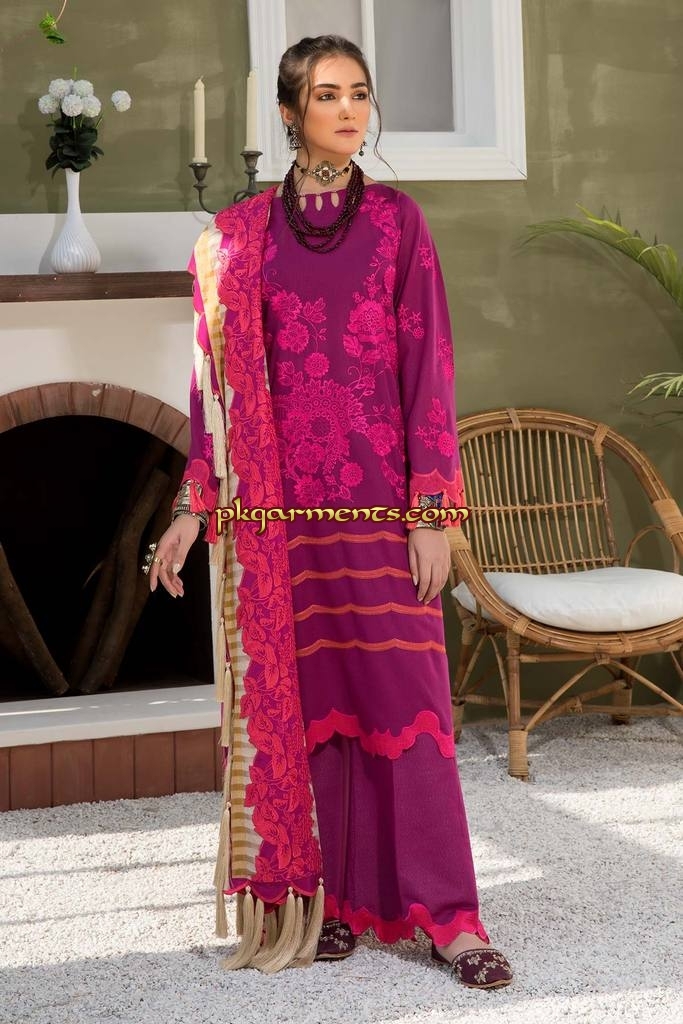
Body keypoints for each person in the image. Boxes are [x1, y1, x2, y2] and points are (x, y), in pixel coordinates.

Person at [146, 34, 513, 989]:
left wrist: (431, 512)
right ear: (288, 112)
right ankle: (336, 900)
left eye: (358, 94)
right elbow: (213, 391)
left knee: (408, 708)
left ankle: (449, 917)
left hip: (381, 510)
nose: (348, 111)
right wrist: (193, 509)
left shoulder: (396, 222)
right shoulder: (237, 238)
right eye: (326, 95)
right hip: (281, 525)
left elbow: (429, 366)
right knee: (315, 718)